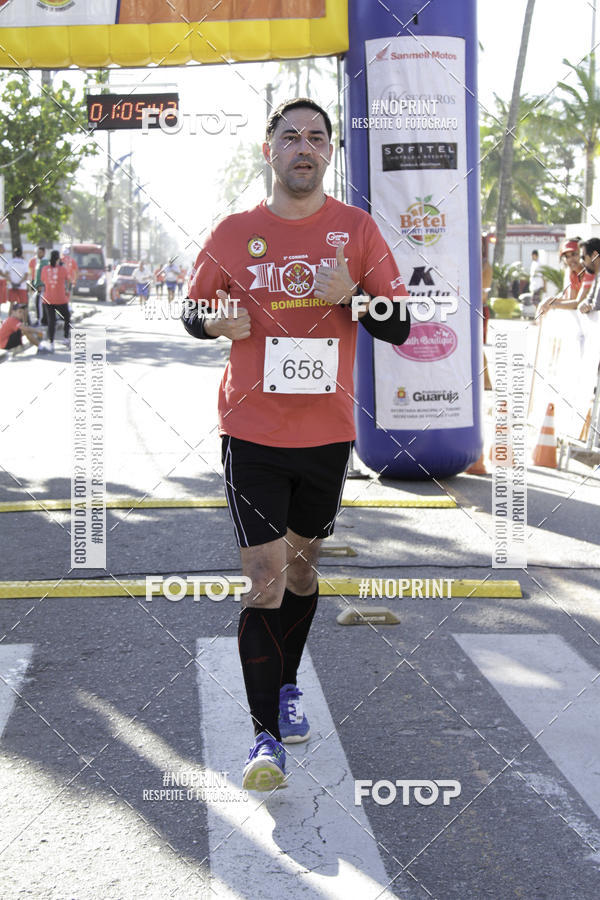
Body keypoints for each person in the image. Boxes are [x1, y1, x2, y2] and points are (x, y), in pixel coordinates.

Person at [183, 98, 409, 792]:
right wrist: (215, 326)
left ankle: (286, 683)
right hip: (250, 431)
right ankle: (265, 738)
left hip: (327, 435)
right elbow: (194, 309)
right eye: (290, 137)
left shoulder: (357, 230)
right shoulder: (234, 231)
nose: (302, 147)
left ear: (330, 152)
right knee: (266, 576)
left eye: (316, 137)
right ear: (268, 150)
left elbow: (399, 325)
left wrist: (355, 299)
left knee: (304, 572)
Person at [537, 238, 593, 315]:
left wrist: (552, 305)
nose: (570, 259)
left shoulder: (590, 272)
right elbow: (571, 300)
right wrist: (549, 300)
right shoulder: (573, 274)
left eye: (574, 254)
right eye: (567, 256)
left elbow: (576, 303)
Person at [40, 250, 71, 351]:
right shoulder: (62, 269)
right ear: (58, 258)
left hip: (48, 298)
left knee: (51, 320)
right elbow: (68, 280)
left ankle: (51, 342)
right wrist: (67, 290)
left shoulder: (45, 269)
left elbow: (43, 281)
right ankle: (66, 337)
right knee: (67, 317)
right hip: (61, 298)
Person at [577, 238, 600, 314]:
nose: (581, 262)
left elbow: (596, 307)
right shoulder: (597, 276)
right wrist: (585, 305)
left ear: (594, 255)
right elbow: (587, 301)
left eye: (583, 257)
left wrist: (588, 307)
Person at [30, 246, 50, 325]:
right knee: (38, 303)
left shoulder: (45, 262)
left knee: (40, 305)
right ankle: (42, 320)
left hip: (41, 287)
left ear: (44, 253)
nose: (38, 254)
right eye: (37, 252)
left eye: (40, 252)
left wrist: (42, 285)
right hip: (37, 287)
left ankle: (40, 321)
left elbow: (45, 275)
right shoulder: (39, 261)